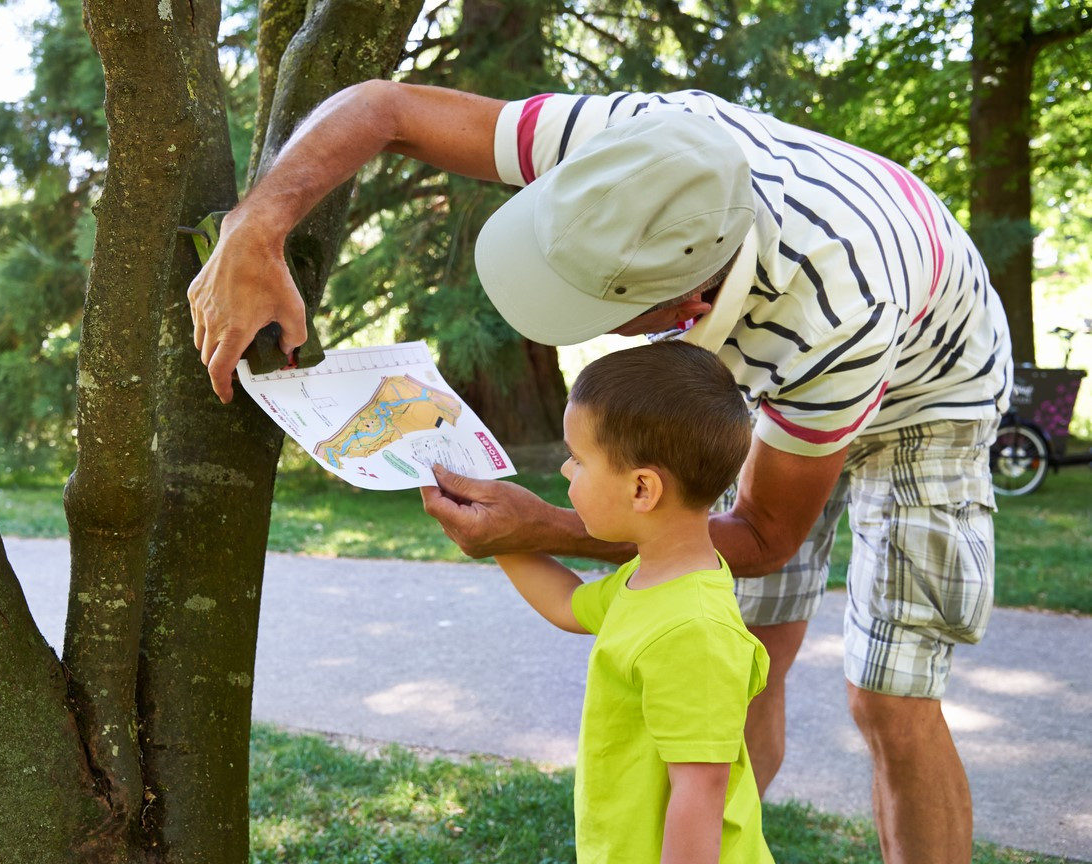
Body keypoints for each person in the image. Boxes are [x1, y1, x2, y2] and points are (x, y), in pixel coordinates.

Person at [186, 80, 1012, 864]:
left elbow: (763, 534)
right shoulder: (630, 153)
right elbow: (385, 107)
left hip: (928, 390)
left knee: (888, 697)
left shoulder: (830, 308)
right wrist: (254, 229)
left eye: (604, 317)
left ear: (687, 309)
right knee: (744, 658)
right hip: (787, 362)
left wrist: (543, 526)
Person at [496, 339, 772, 864]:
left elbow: (701, 791)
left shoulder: (694, 630)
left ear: (642, 489)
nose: (564, 472)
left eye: (578, 459)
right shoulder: (648, 579)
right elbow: (568, 603)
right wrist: (494, 538)